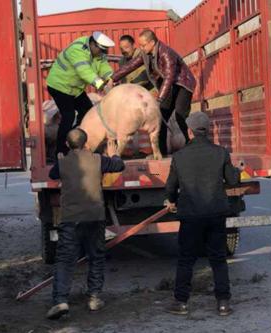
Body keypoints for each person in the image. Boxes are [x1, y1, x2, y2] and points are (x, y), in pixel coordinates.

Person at [164, 112, 241, 316]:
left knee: (186, 259)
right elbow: (232, 181)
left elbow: (171, 186)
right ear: (207, 131)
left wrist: (170, 200)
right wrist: (238, 171)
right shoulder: (221, 153)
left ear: (189, 131)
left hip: (190, 215)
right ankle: (223, 303)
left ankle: (181, 302)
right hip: (216, 213)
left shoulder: (179, 157)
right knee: (218, 259)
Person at [46, 128, 125, 320]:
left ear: (67, 144)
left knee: (65, 259)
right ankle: (94, 298)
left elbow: (52, 174)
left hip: (71, 218)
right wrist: (114, 154)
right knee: (96, 256)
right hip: (95, 216)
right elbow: (118, 165)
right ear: (87, 143)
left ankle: (60, 300)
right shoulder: (98, 159)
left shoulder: (62, 163)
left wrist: (60, 159)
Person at [111, 29, 197, 156]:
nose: (141, 48)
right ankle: (161, 153)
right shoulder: (146, 53)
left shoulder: (166, 53)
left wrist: (160, 99)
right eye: (140, 45)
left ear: (152, 42)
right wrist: (113, 78)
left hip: (183, 84)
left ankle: (194, 147)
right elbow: (131, 65)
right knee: (160, 118)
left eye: (143, 45)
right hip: (170, 86)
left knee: (180, 115)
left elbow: (169, 77)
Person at [47, 31, 115, 156]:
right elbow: (85, 72)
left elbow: (104, 66)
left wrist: (111, 78)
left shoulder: (98, 52)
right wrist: (102, 86)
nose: (102, 54)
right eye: (100, 50)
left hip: (75, 89)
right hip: (59, 86)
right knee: (68, 116)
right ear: (93, 45)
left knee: (87, 112)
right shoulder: (77, 50)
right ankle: (61, 151)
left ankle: (75, 140)